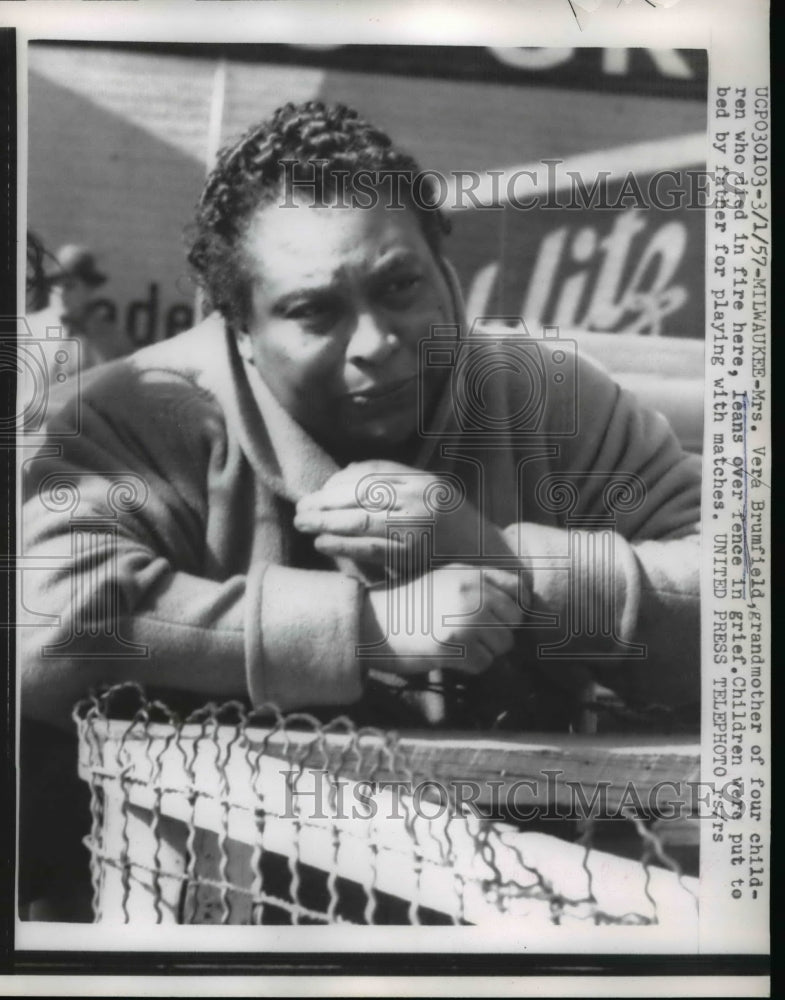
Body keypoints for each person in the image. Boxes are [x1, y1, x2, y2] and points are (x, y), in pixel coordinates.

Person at [21, 101, 701, 736]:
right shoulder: (144, 413)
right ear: (241, 330)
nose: (375, 343)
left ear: (445, 270)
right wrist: (367, 628)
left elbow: (739, 602)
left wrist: (492, 553)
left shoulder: (551, 398)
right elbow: (43, 622)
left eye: (399, 287)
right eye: (314, 310)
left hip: (526, 854)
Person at [26, 243, 131, 372]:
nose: (61, 293)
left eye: (69, 286)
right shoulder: (28, 331)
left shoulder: (112, 339)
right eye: (56, 285)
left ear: (89, 289)